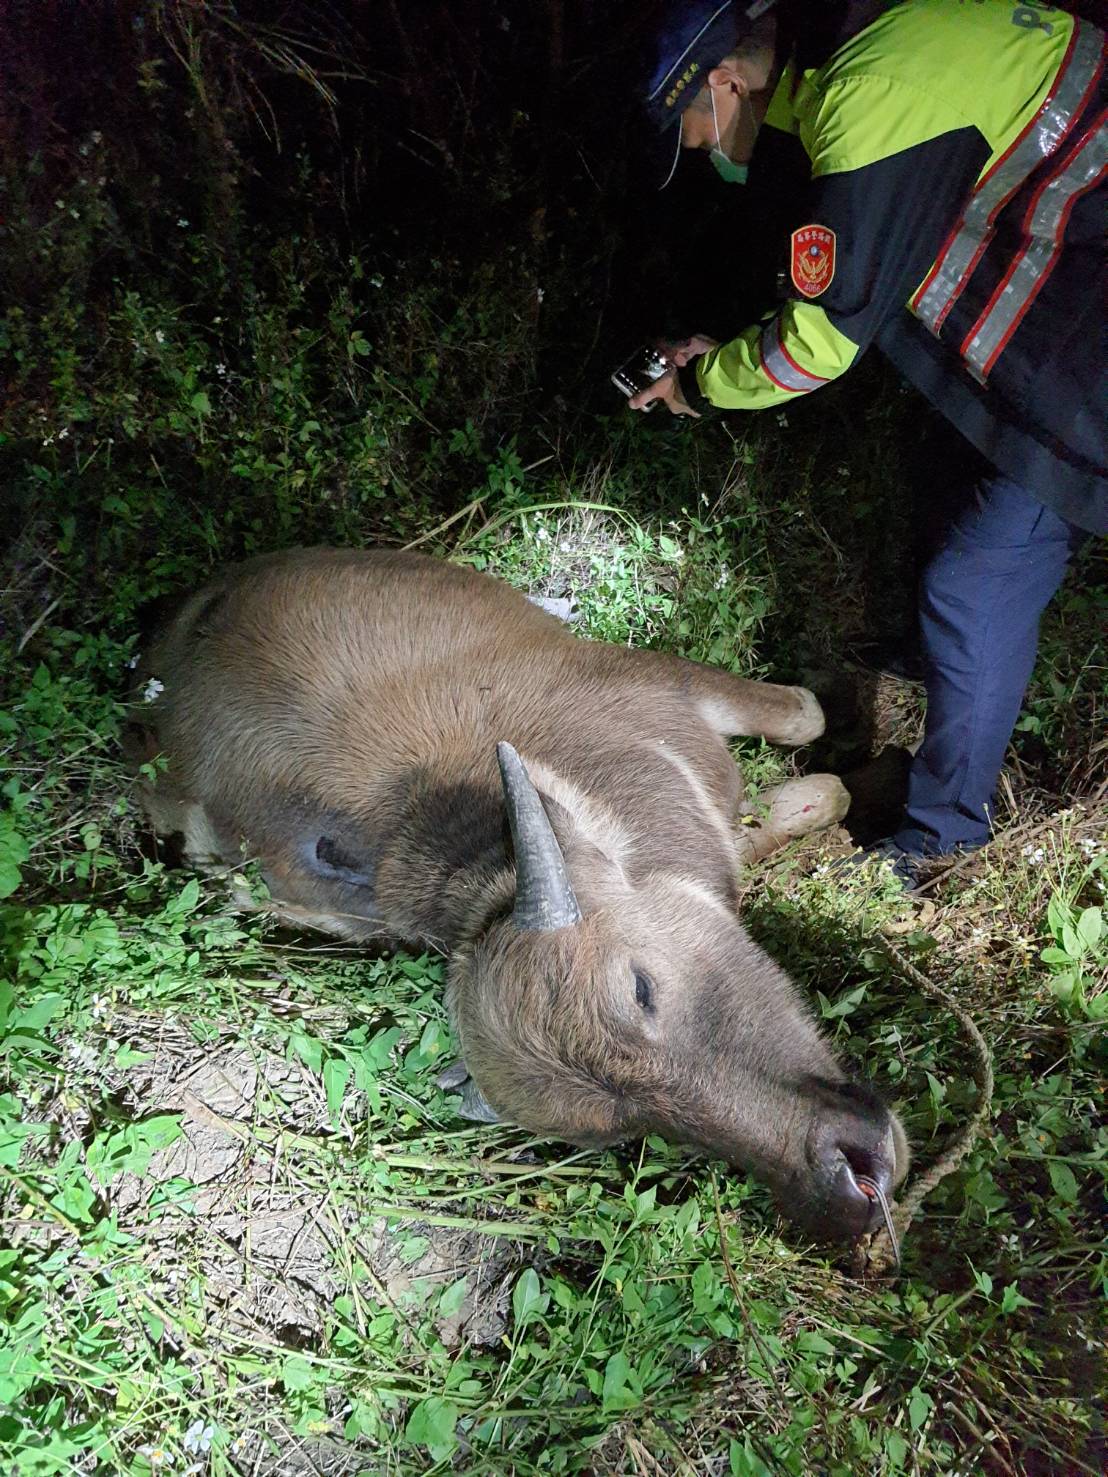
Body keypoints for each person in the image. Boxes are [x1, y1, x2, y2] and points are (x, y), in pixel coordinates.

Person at [630, 0, 1107, 886]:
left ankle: (945, 837)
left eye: (693, 137)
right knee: (943, 480)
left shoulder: (868, 92)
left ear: (725, 83)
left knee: (976, 582)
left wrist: (699, 386)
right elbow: (856, 264)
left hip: (1083, 356)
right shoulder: (847, 58)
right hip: (1055, 290)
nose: (704, 156)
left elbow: (822, 340)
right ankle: (953, 672)